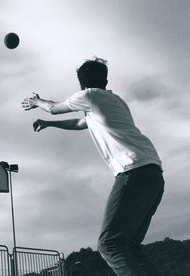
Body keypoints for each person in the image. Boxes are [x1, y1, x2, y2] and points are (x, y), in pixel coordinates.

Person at [21, 58, 164, 276]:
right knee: (130, 248)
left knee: (109, 245)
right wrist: (49, 124)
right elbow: (80, 123)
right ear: (106, 80)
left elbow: (53, 108)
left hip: (132, 172)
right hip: (153, 173)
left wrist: (37, 101)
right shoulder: (114, 101)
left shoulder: (88, 95)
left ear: (81, 84)